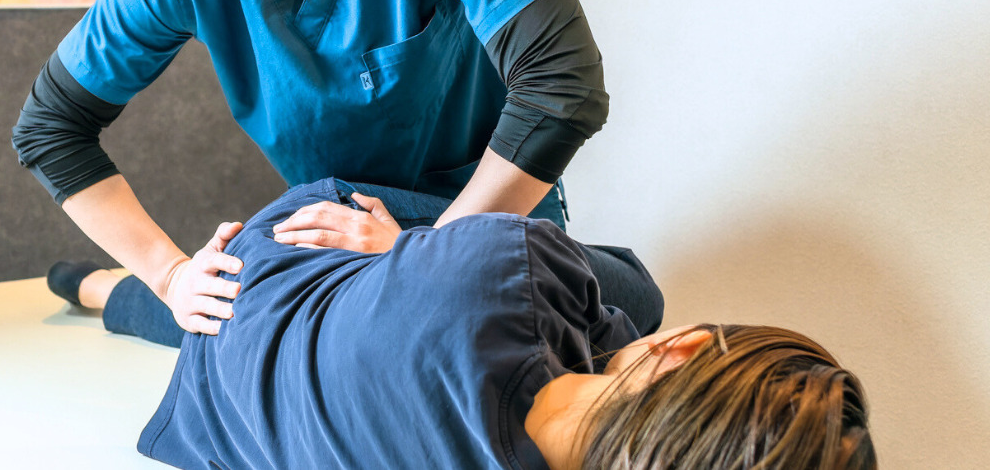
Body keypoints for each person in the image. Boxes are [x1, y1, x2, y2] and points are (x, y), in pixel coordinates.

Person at [12, 0, 609, 339]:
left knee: (575, 318)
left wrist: (428, 254)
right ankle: (100, 286)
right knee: (245, 328)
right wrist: (169, 277)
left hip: (482, 212)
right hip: (336, 234)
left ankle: (95, 287)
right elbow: (49, 127)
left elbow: (562, 83)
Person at [47, 179, 875, 470]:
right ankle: (99, 291)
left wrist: (408, 247)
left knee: (634, 288)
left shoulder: (507, 268)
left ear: (684, 351)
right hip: (215, 408)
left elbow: (621, 322)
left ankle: (98, 285)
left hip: (264, 265)